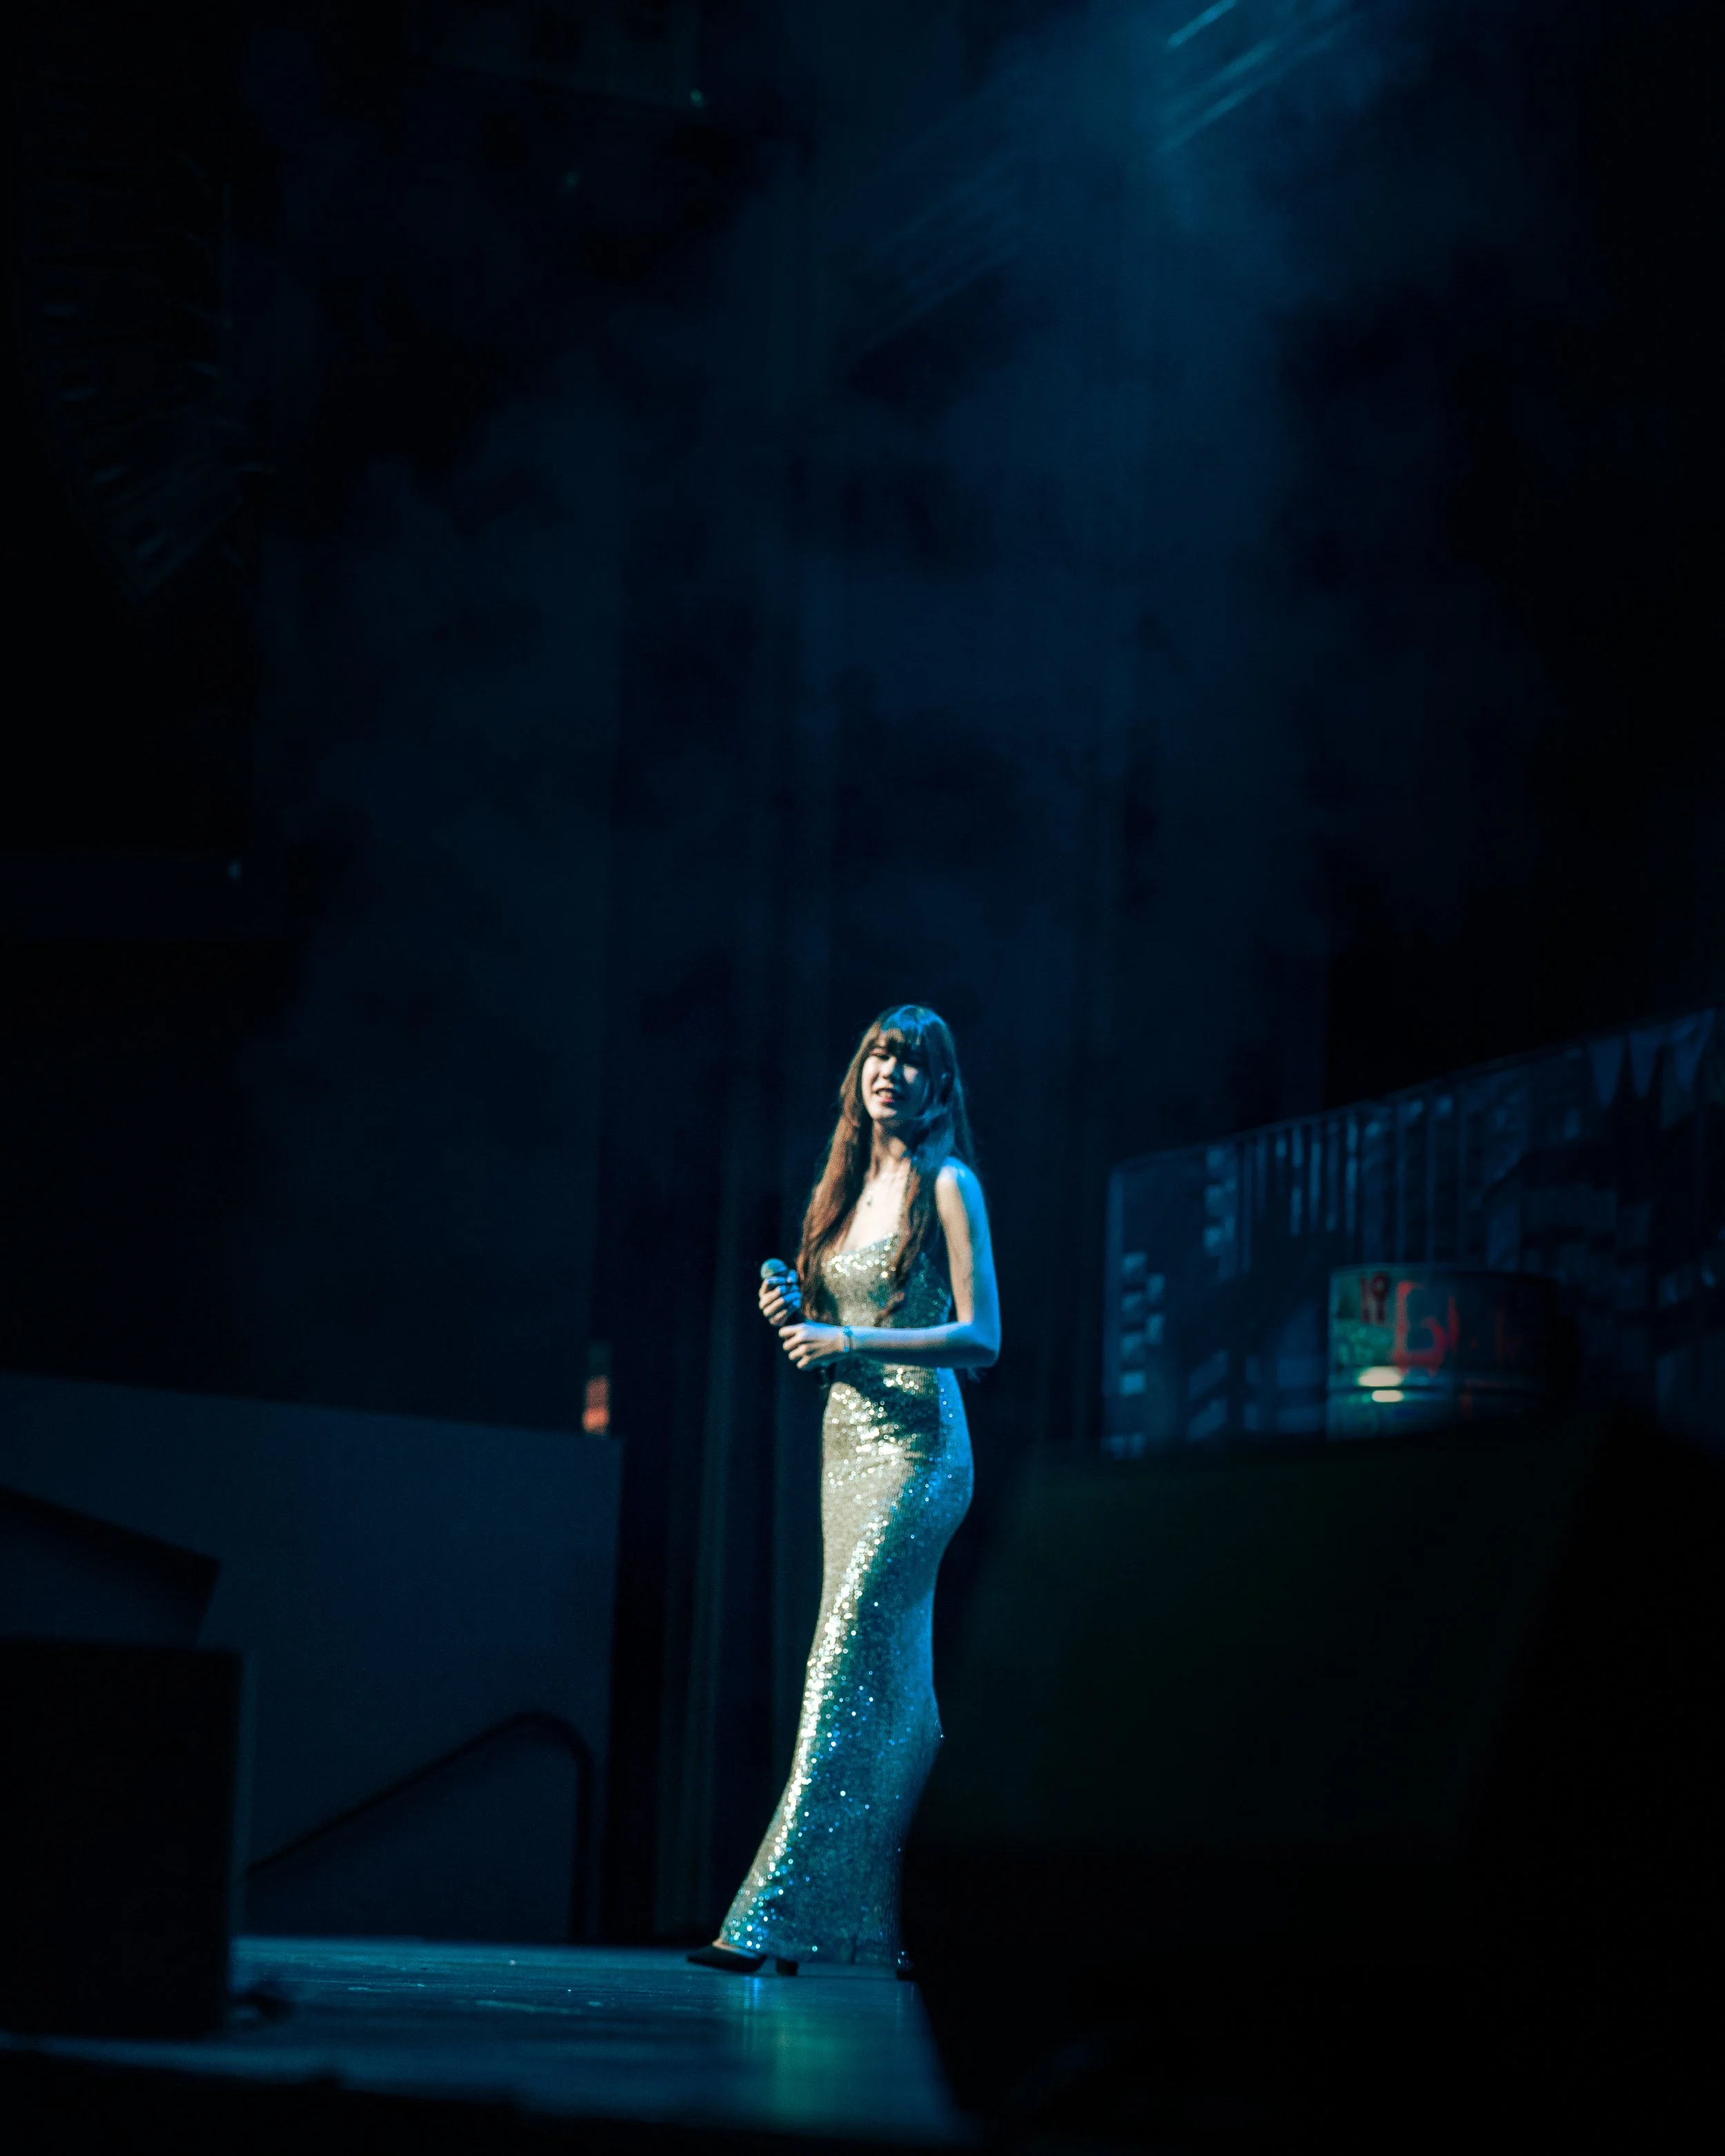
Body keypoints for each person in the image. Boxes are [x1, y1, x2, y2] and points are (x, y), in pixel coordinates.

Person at [688, 1004, 1000, 1976]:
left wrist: (849, 1339)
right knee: (898, 1692)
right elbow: (826, 1331)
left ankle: (772, 1918)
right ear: (857, 1074)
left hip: (920, 1452)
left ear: (940, 1087)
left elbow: (983, 1338)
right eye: (879, 1053)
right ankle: (909, 1918)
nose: (891, 1072)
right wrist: (797, 1307)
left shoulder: (950, 1184)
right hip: (846, 1451)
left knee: (838, 1664)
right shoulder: (845, 1188)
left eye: (913, 1061)